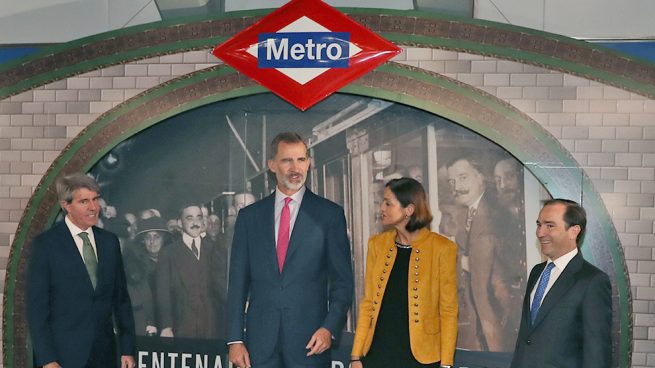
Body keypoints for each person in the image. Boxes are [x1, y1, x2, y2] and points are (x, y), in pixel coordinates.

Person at [227, 132, 353, 368]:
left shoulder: (329, 215)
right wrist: (235, 340)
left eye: (301, 160)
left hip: (310, 345)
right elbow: (237, 284)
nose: (296, 167)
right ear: (272, 165)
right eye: (287, 160)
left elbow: (343, 282)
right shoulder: (249, 218)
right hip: (259, 347)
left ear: (309, 163)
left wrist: (329, 328)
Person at [27, 173, 135, 368]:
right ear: (66, 205)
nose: (93, 207)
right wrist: (47, 359)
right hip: (62, 358)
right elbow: (37, 310)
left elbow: (121, 301)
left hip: (104, 356)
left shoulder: (109, 242)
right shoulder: (46, 245)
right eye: (84, 201)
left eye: (95, 199)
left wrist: (127, 349)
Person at [351, 178, 458, 368]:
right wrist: (355, 356)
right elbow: (368, 304)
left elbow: (448, 311)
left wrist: (447, 364)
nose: (381, 208)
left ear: (409, 210)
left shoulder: (443, 248)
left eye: (388, 203)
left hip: (422, 358)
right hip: (378, 354)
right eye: (382, 202)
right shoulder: (376, 244)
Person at [511, 199, 611, 368]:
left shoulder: (592, 281)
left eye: (550, 226)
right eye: (539, 224)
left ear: (574, 231)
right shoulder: (537, 272)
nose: (540, 232)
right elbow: (526, 338)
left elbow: (597, 351)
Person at [445, 156, 515, 351]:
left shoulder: (497, 214)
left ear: (481, 177)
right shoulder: (462, 214)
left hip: (497, 323)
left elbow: (507, 272)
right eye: (452, 181)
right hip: (479, 322)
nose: (456, 187)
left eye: (463, 177)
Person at [156, 203, 222, 339]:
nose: (195, 222)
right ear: (180, 223)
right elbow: (163, 292)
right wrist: (166, 326)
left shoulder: (214, 249)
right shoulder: (168, 253)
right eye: (189, 218)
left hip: (210, 325)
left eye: (199, 217)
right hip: (181, 325)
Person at [124, 216, 170, 336]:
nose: (152, 241)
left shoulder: (173, 263)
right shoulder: (135, 268)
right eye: (148, 237)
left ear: (164, 239)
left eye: (156, 237)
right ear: (142, 241)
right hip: (148, 327)